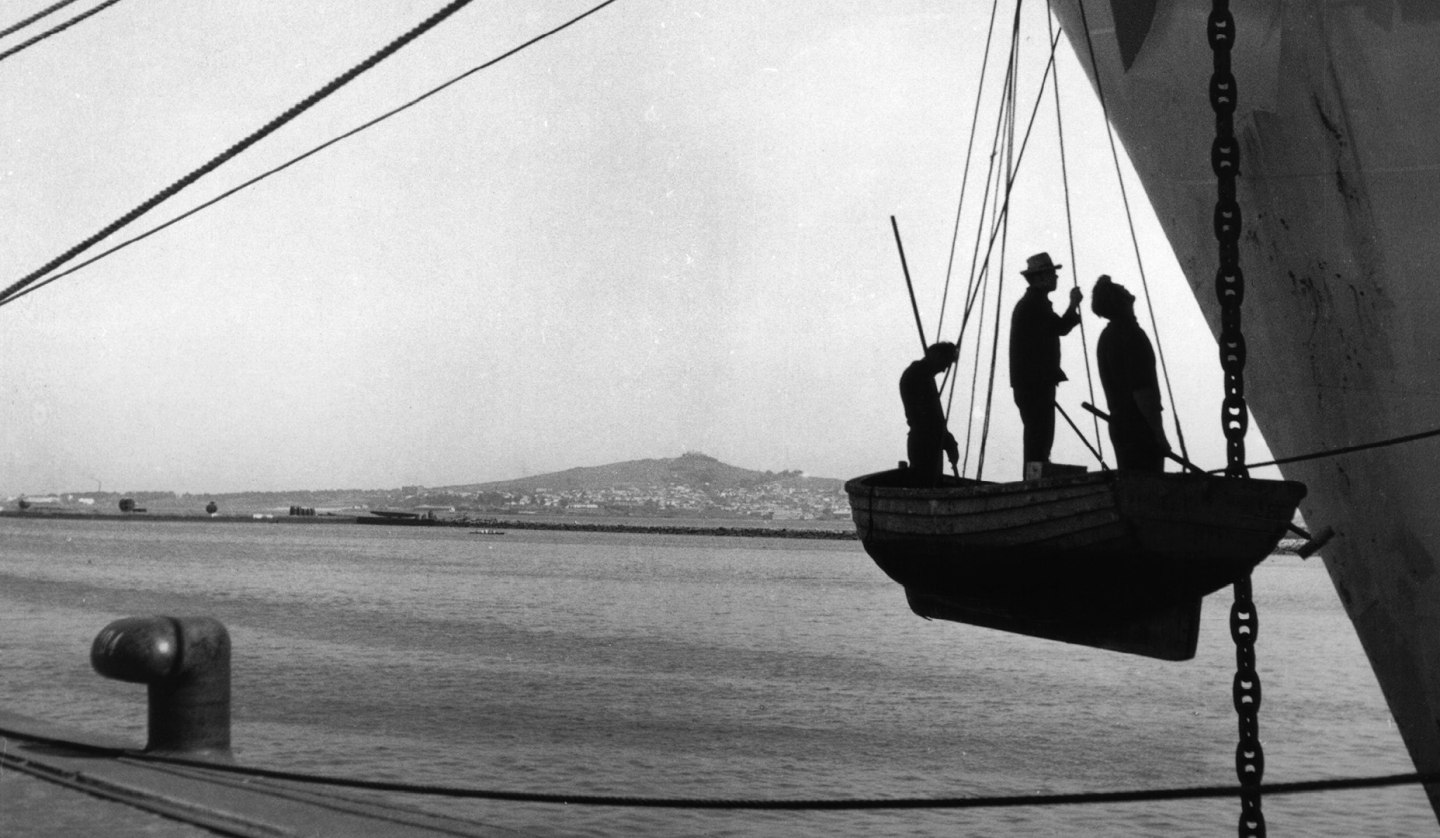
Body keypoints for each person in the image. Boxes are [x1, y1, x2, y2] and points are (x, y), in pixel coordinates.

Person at [1009, 252, 1082, 474]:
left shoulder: (1032, 303)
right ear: (1040, 278)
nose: (1056, 278)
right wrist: (1073, 304)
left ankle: (1033, 479)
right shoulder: (1035, 304)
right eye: (1052, 274)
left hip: (1031, 383)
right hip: (1036, 384)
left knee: (1038, 435)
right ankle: (1033, 482)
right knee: (1039, 436)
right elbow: (1060, 327)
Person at [1092, 275, 1170, 471]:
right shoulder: (1132, 335)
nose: (1125, 287)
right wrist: (1158, 433)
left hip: (1120, 425)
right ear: (1120, 300)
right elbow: (1142, 391)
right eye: (1120, 288)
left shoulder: (1106, 337)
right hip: (1139, 428)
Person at [900, 341, 961, 487]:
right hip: (924, 444)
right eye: (945, 364)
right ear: (937, 356)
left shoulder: (921, 376)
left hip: (927, 442)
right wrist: (947, 440)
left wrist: (947, 440)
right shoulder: (918, 376)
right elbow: (927, 419)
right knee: (926, 485)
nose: (944, 370)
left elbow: (932, 418)